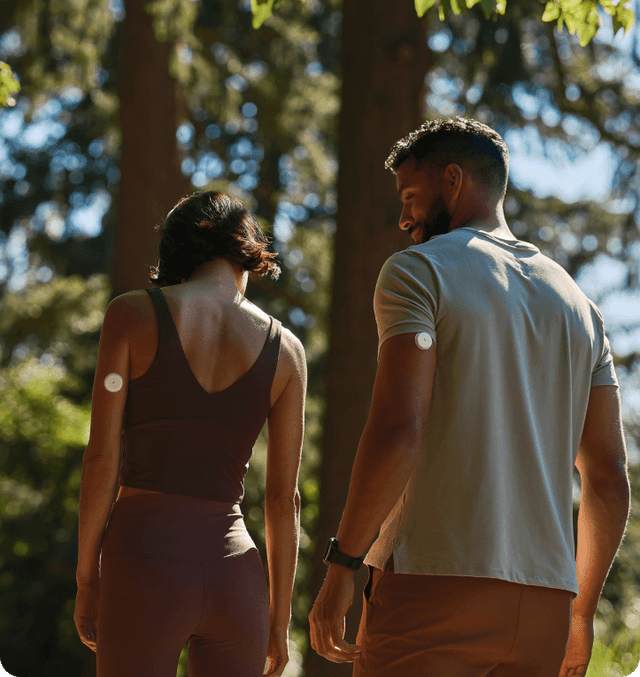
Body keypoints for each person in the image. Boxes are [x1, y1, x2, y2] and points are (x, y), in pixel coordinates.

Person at [309, 117, 631, 677]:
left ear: (453, 180)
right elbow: (607, 476)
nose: (405, 217)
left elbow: (398, 430)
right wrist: (579, 614)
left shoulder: (418, 272)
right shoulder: (580, 307)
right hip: (545, 605)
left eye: (412, 196)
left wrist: (342, 567)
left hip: (433, 586)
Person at [74, 190, 306, 677]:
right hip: (235, 575)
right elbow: (284, 500)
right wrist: (278, 618)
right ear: (246, 249)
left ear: (175, 254)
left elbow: (101, 458)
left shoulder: (132, 313)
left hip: (144, 557)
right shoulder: (287, 351)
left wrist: (86, 579)